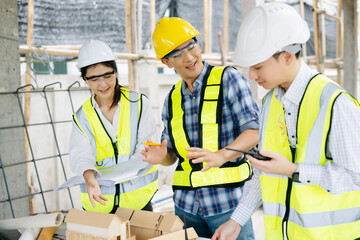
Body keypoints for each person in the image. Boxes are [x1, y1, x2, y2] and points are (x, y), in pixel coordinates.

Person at [212, 2, 360, 240]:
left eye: (258, 66)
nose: (251, 75)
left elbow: (356, 177)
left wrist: (294, 171)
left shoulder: (335, 103)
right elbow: (265, 172)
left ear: (288, 56)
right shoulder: (270, 103)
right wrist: (236, 220)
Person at [142, 17, 260, 239]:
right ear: (166, 62)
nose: (189, 57)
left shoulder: (229, 79)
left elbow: (254, 131)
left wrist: (222, 155)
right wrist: (162, 156)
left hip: (227, 205)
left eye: (192, 46)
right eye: (178, 54)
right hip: (186, 209)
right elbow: (173, 156)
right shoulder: (172, 98)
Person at [69, 40, 158, 213]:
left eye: (107, 76)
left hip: (138, 203)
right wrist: (89, 177)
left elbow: (146, 146)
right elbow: (80, 155)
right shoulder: (82, 117)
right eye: (94, 79)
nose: (102, 84)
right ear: (85, 80)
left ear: (116, 72)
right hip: (99, 204)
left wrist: (126, 173)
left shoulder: (138, 104)